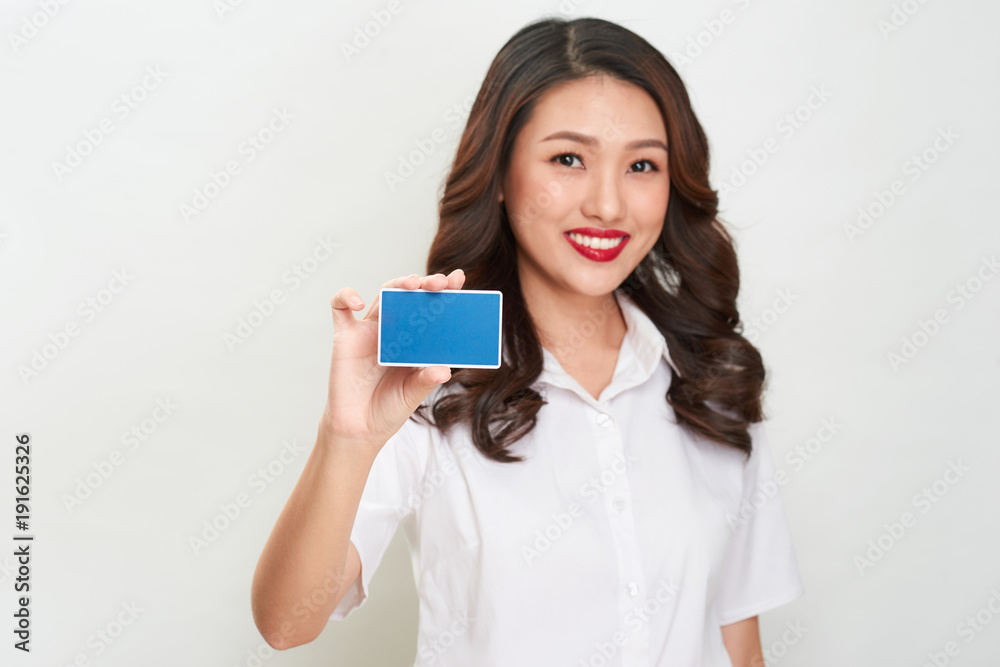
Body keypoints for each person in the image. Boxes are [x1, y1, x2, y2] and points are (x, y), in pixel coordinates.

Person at [251, 15, 804, 666]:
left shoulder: (711, 381)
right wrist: (346, 438)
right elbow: (288, 622)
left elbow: (738, 643)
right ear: (498, 174)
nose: (607, 204)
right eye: (568, 158)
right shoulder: (429, 376)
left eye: (643, 165)